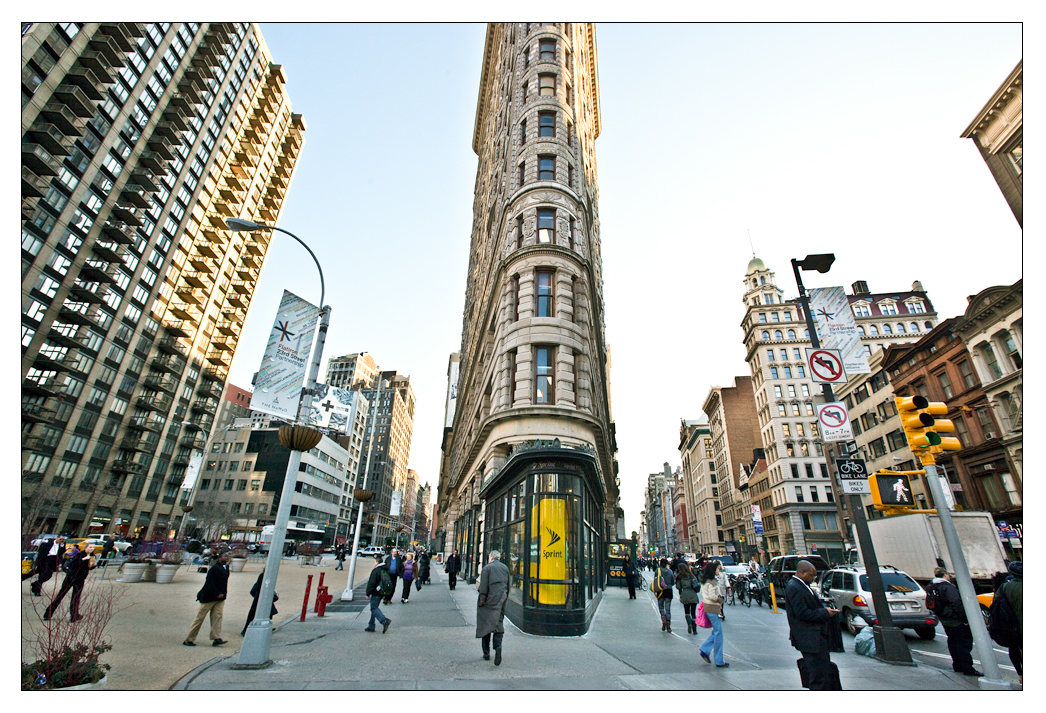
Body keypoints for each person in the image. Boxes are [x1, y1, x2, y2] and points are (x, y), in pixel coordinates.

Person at [785, 559, 840, 689]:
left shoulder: (801, 585)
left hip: (815, 638)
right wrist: (825, 613)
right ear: (803, 572)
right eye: (812, 575)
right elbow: (802, 613)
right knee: (818, 676)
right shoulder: (795, 587)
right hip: (810, 639)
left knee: (822, 673)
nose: (814, 578)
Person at [927, 567, 981, 676]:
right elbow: (956, 603)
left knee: (952, 641)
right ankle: (967, 667)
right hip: (954, 618)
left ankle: (957, 665)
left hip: (944, 618)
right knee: (963, 643)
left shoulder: (932, 585)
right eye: (948, 574)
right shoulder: (947, 587)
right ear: (945, 574)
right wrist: (965, 619)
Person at [183, 550, 230, 647]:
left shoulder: (226, 568)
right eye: (225, 556)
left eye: (228, 556)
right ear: (220, 557)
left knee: (217, 617)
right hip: (209, 597)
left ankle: (216, 637)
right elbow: (209, 583)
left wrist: (223, 594)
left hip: (220, 598)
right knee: (199, 618)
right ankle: (189, 639)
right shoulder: (214, 569)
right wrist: (217, 593)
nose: (227, 558)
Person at [43, 543, 97, 622]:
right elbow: (73, 564)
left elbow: (88, 567)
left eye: (93, 547)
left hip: (80, 579)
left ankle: (74, 616)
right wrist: (83, 559)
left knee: (76, 598)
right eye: (90, 547)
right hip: (71, 577)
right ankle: (48, 613)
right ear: (86, 547)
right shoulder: (79, 555)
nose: (91, 549)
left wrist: (93, 565)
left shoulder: (92, 556)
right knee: (61, 595)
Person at [476, 550, 510, 665]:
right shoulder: (505, 568)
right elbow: (508, 585)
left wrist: (481, 600)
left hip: (489, 601)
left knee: (486, 624)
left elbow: (483, 587)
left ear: (491, 557)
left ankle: (486, 652)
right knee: (498, 623)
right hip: (501, 599)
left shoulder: (487, 568)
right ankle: (498, 646)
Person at [995, 561, 1022, 684]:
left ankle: (1021, 674)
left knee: (1014, 650)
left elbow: (996, 606)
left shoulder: (1005, 587)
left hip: (1012, 627)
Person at [698, 560, 728, 665]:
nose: (718, 570)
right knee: (718, 634)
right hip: (712, 608)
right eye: (716, 569)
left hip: (708, 607)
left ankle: (705, 650)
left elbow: (703, 593)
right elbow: (712, 596)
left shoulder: (705, 581)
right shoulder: (711, 583)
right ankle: (719, 660)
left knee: (716, 632)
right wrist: (719, 599)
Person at [241, 569, 278, 636]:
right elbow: (258, 586)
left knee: (268, 612)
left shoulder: (270, 576)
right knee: (254, 613)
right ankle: (246, 630)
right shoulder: (263, 575)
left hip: (265, 595)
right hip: (260, 596)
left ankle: (267, 626)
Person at [364, 556, 392, 633]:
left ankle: (384, 620)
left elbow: (371, 583)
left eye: (374, 562)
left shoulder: (376, 571)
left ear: (377, 563)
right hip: (382, 592)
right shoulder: (385, 570)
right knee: (375, 607)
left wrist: (368, 593)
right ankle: (371, 625)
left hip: (375, 592)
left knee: (373, 608)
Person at [676, 561, 699, 633]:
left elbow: (678, 587)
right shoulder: (691, 575)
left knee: (687, 612)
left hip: (685, 594)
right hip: (693, 594)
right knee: (693, 612)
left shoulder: (679, 577)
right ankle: (694, 629)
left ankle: (689, 623)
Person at [654, 557, 675, 632]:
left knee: (661, 606)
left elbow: (655, 580)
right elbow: (673, 582)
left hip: (660, 590)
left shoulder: (658, 570)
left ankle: (663, 620)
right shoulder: (670, 571)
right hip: (668, 590)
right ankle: (668, 625)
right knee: (668, 608)